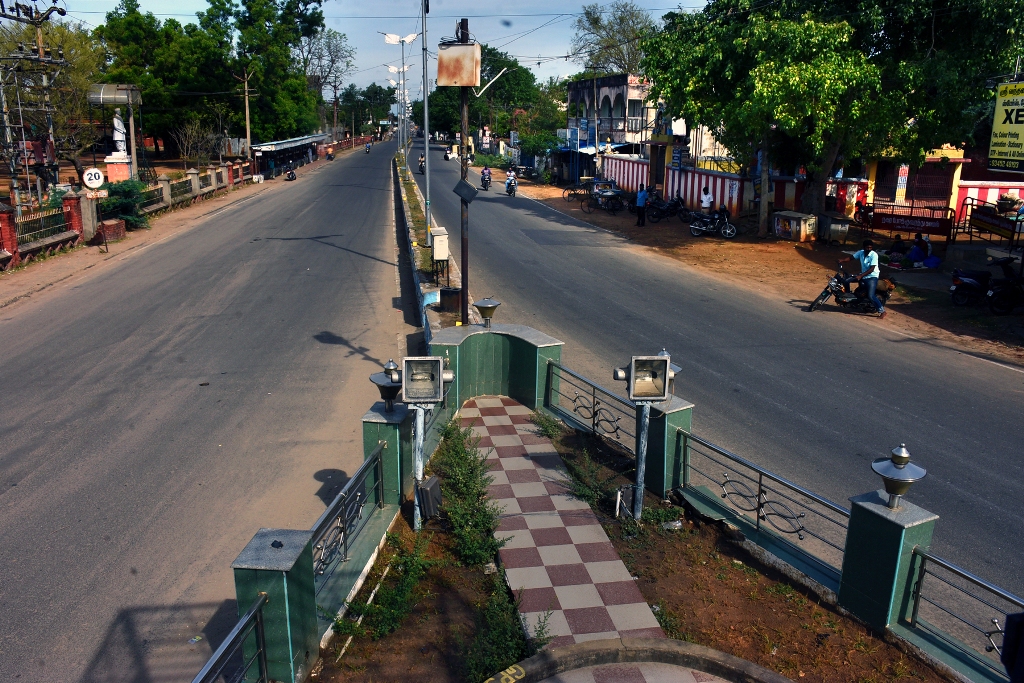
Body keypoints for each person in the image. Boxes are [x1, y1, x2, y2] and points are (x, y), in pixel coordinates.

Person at [839, 240, 885, 318]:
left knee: (871, 295)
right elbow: (851, 258)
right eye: (867, 247)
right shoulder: (861, 252)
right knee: (846, 280)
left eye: (870, 247)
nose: (869, 249)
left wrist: (861, 276)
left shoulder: (874, 255)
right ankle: (847, 297)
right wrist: (842, 260)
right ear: (864, 247)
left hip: (872, 277)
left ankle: (882, 311)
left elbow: (872, 268)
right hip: (863, 275)